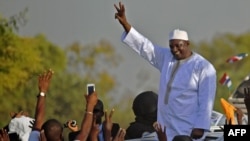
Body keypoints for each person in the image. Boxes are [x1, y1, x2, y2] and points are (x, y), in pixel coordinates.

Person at [114, 2, 217, 141]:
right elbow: (145, 47)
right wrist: (125, 24)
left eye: (178, 45)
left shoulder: (203, 67)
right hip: (165, 127)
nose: (174, 49)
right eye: (171, 46)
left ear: (187, 44)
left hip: (188, 128)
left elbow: (207, 100)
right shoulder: (167, 58)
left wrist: (200, 127)